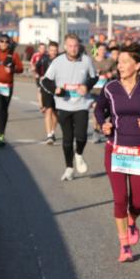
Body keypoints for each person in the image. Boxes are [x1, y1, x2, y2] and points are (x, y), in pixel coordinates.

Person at [94, 44, 140, 262]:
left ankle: (132, 219)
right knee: (120, 199)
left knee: (137, 202)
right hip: (116, 148)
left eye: (125, 62)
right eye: (119, 62)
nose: (120, 66)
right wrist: (103, 123)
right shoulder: (110, 87)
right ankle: (124, 245)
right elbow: (99, 109)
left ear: (137, 65)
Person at [41, 34, 99, 180]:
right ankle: (69, 168)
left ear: (79, 46)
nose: (73, 49)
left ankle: (78, 154)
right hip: (64, 104)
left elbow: (94, 77)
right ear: (65, 47)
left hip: (81, 104)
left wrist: (87, 86)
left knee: (81, 135)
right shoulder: (57, 62)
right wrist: (55, 89)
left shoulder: (86, 60)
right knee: (67, 139)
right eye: (70, 46)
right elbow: (45, 80)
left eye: (75, 46)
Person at [35, 41, 59, 144]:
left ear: (57, 50)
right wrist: (40, 76)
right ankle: (49, 135)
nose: (53, 52)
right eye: (51, 50)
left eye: (55, 50)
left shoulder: (61, 59)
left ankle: (53, 131)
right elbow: (37, 67)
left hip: (58, 88)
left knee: (56, 113)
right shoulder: (44, 58)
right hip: (46, 87)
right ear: (48, 50)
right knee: (48, 110)